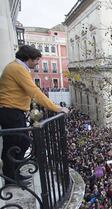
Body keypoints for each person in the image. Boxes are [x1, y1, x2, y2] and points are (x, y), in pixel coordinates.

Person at [0, 45, 69, 185]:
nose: (38, 63)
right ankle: (10, 176)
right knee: (12, 144)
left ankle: (14, 173)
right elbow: (34, 92)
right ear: (29, 59)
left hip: (13, 111)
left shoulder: (17, 67)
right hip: (10, 111)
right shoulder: (17, 69)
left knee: (22, 142)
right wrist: (56, 108)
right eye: (37, 60)